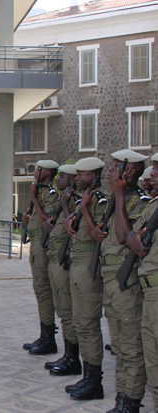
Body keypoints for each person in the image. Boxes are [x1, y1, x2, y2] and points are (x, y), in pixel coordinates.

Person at [99, 150, 150, 413]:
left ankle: (130, 401)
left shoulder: (138, 201)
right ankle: (122, 398)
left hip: (126, 281)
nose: (110, 170)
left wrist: (118, 195)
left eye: (116, 166)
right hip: (111, 279)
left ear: (129, 172)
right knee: (119, 344)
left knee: (131, 346)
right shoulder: (118, 199)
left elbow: (123, 236)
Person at [62, 157, 110, 401]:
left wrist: (82, 211)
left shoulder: (101, 202)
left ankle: (95, 382)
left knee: (89, 323)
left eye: (80, 174)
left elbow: (97, 234)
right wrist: (71, 216)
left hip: (90, 267)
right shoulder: (84, 200)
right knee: (80, 321)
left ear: (92, 176)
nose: (76, 178)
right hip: (77, 264)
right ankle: (87, 374)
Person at [41, 164, 82, 376]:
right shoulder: (63, 200)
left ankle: (73, 359)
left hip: (65, 260)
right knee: (61, 308)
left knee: (67, 310)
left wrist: (65, 203)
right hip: (54, 256)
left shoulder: (76, 202)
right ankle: (68, 355)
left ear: (73, 180)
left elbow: (70, 227)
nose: (58, 179)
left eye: (63, 176)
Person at [125, 162, 158, 413]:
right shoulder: (154, 207)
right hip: (149, 292)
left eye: (157, 169)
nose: (152, 174)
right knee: (153, 361)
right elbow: (131, 237)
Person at [22, 160, 60, 355]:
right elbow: (37, 218)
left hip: (43, 246)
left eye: (39, 169)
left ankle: (48, 339)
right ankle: (44, 335)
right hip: (36, 244)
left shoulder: (50, 194)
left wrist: (34, 198)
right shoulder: (40, 192)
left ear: (49, 172)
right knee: (40, 290)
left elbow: (48, 223)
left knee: (44, 290)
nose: (36, 171)